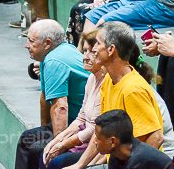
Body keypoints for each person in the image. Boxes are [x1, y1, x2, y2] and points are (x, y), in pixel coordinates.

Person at [68, 22, 165, 169]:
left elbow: (156, 137)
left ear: (111, 49)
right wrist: (80, 165)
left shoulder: (132, 89)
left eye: (98, 43)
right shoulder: (108, 80)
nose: (93, 49)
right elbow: (101, 131)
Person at [16, 20, 89, 169]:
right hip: (72, 122)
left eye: (31, 41)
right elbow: (45, 97)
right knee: (27, 139)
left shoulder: (54, 61)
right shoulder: (52, 54)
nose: (26, 45)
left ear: (47, 43)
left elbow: (60, 108)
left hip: (82, 126)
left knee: (37, 148)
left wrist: (58, 145)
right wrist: (45, 128)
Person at [40, 33, 107, 169]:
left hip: (97, 143)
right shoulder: (92, 78)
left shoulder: (106, 84)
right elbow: (81, 118)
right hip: (85, 136)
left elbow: (93, 129)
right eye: (84, 51)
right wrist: (57, 140)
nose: (85, 57)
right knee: (44, 152)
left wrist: (63, 144)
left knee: (56, 162)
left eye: (92, 52)